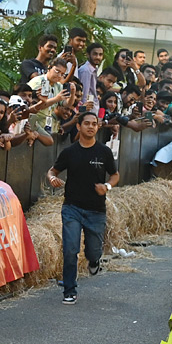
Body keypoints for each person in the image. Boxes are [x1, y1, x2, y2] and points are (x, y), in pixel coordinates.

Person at [47, 111, 118, 305]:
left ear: (97, 127)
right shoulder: (70, 152)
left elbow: (115, 175)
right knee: (70, 249)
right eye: (86, 123)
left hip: (96, 210)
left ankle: (94, 261)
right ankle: (69, 290)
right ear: (78, 126)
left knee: (94, 251)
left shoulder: (104, 151)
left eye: (94, 124)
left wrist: (107, 187)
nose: (90, 127)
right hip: (72, 208)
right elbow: (53, 170)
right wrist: (52, 178)